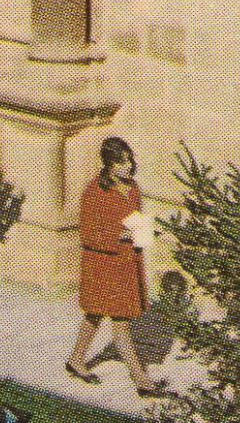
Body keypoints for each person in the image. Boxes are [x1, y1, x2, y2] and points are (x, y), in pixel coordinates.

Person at [65, 137, 170, 398]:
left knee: (95, 315)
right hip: (102, 266)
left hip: (125, 265)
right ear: (109, 164)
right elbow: (88, 235)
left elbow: (135, 225)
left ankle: (76, 359)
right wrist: (120, 235)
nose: (128, 166)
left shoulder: (133, 188)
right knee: (116, 322)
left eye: (129, 160)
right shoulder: (94, 192)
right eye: (121, 162)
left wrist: (145, 233)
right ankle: (142, 380)